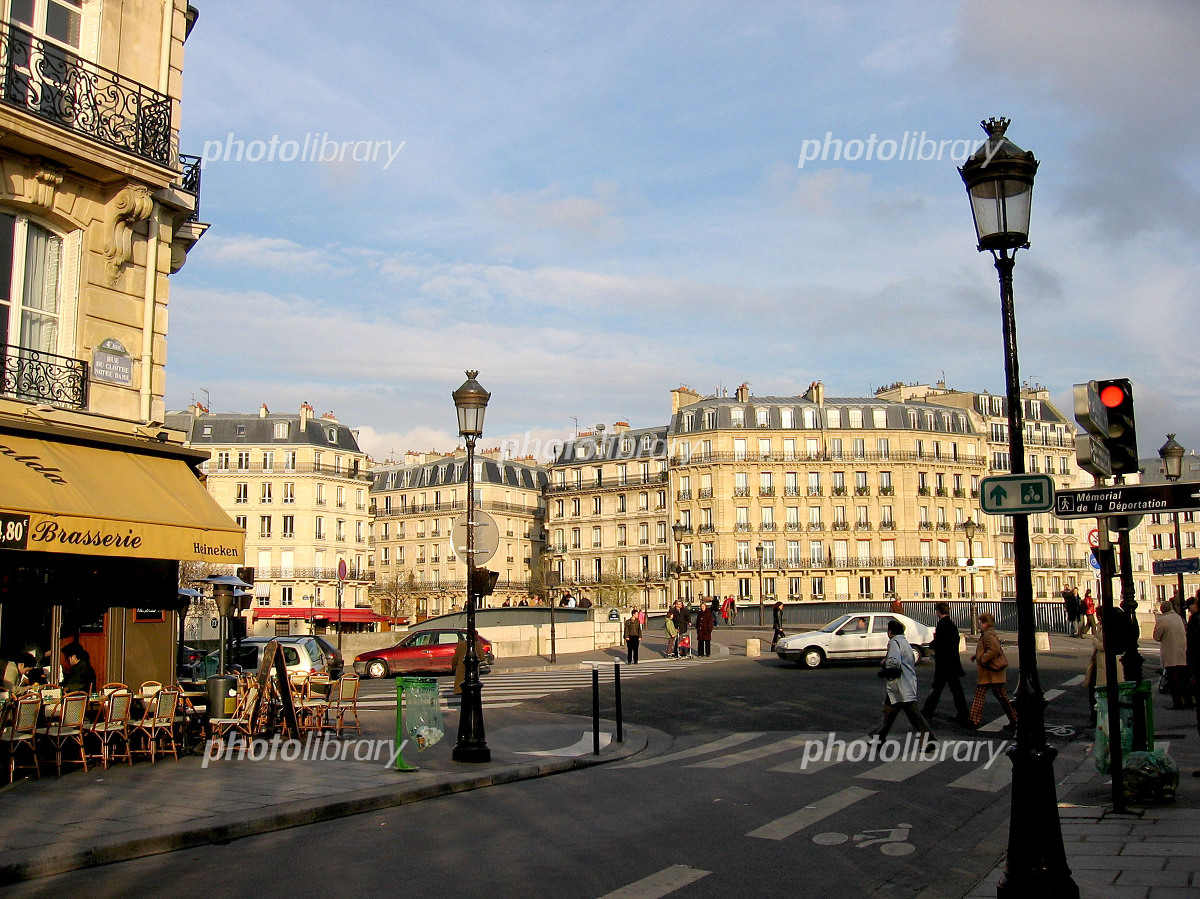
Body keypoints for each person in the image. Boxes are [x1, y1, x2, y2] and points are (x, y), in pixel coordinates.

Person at [872, 619, 934, 741]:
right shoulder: (905, 643)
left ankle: (930, 739)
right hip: (906, 683)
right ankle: (879, 737)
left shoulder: (894, 643)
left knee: (912, 714)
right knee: (890, 712)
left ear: (890, 632)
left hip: (899, 685)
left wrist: (884, 671)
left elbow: (894, 663)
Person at [921, 602, 970, 725]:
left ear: (938, 611)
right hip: (953, 662)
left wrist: (932, 646)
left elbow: (940, 642)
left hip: (944, 664)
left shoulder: (942, 624)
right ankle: (963, 714)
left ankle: (927, 712)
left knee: (937, 689)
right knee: (956, 690)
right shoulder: (952, 624)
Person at [969, 612, 1017, 732]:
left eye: (981, 622)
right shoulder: (988, 634)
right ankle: (1014, 719)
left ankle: (974, 720)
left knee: (981, 696)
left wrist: (982, 659)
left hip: (990, 672)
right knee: (1001, 697)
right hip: (992, 672)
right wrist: (977, 656)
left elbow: (993, 650)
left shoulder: (987, 635)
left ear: (985, 623)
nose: (979, 624)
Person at [1154, 600, 1190, 709]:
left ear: (1162, 610)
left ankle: (1177, 703)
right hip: (1182, 654)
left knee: (1173, 681)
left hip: (1171, 655)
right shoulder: (1178, 618)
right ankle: (1187, 701)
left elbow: (1156, 636)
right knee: (1183, 680)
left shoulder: (1162, 620)